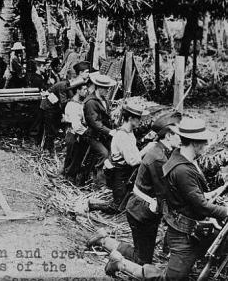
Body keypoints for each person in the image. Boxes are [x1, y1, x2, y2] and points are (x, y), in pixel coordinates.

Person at [95, 118, 228, 280]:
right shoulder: (181, 168)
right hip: (170, 225)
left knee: (169, 268)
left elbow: (187, 195)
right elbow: (198, 204)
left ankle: (110, 248)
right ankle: (119, 263)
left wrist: (209, 196)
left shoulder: (177, 157)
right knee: (159, 270)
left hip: (177, 225)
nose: (207, 146)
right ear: (195, 143)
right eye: (205, 142)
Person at [88, 112, 182, 267]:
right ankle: (107, 248)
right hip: (142, 213)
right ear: (168, 136)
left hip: (141, 210)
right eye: (178, 135)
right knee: (142, 260)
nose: (181, 138)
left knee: (143, 255)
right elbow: (164, 192)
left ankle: (103, 239)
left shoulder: (160, 151)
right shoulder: (158, 157)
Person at [100, 103, 153, 214]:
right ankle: (91, 205)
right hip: (119, 173)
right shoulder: (122, 135)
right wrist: (147, 149)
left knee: (124, 201)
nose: (140, 121)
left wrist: (145, 140)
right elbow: (132, 161)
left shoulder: (129, 132)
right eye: (138, 119)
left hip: (125, 171)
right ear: (130, 118)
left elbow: (132, 148)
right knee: (116, 207)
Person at [83, 73, 116, 182]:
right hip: (93, 136)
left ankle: (108, 179)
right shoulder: (91, 102)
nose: (107, 91)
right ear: (99, 88)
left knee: (114, 152)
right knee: (104, 154)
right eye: (106, 89)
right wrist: (110, 131)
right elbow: (95, 123)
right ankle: (99, 182)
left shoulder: (103, 99)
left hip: (102, 135)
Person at [63, 83, 89, 182]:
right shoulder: (73, 105)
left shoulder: (79, 103)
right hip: (73, 133)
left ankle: (68, 174)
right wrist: (86, 132)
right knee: (74, 155)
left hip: (77, 132)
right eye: (84, 89)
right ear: (78, 91)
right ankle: (69, 176)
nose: (86, 91)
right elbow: (76, 125)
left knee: (74, 155)